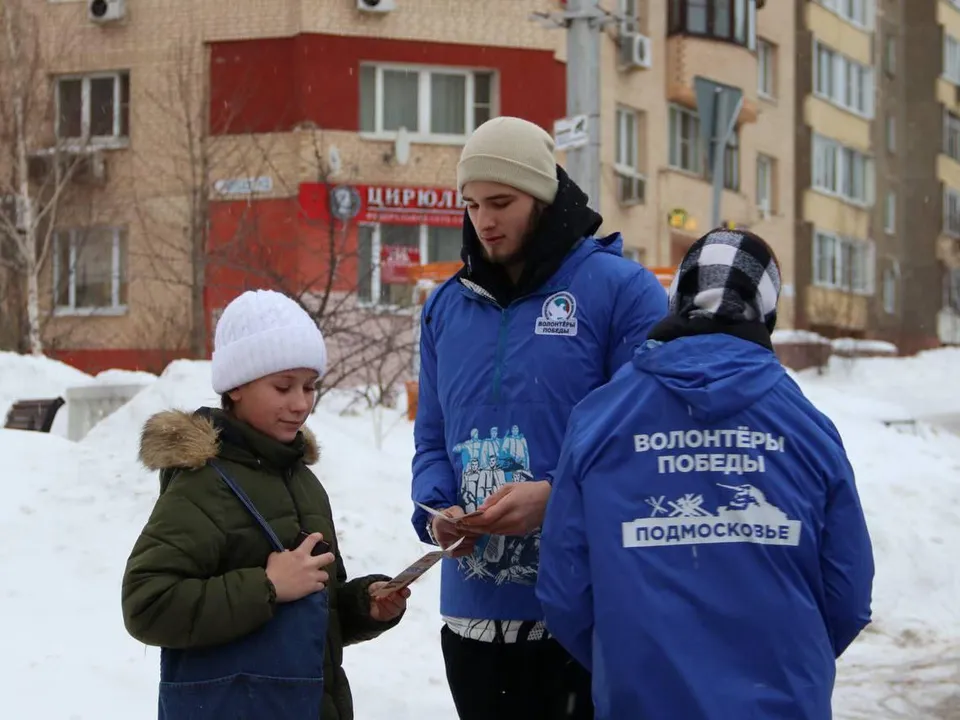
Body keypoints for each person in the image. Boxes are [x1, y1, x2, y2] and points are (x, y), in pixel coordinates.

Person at [536, 229, 875, 720]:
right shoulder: (807, 429)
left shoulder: (601, 419)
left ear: (677, 302)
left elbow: (566, 590)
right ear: (766, 312)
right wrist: (788, 665)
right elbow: (848, 594)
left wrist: (627, 663)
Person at [410, 115, 668, 720]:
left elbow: (648, 446)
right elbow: (431, 443)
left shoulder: (623, 293)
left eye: (501, 201)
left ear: (545, 198)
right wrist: (437, 510)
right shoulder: (446, 308)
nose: (484, 221)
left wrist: (555, 498)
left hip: (582, 619)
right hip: (471, 626)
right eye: (472, 205)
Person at [121, 289, 409, 720]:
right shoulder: (203, 485)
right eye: (282, 386)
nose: (301, 403)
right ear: (235, 386)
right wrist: (267, 586)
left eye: (310, 386)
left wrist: (363, 606)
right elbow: (147, 605)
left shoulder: (304, 483)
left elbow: (313, 612)